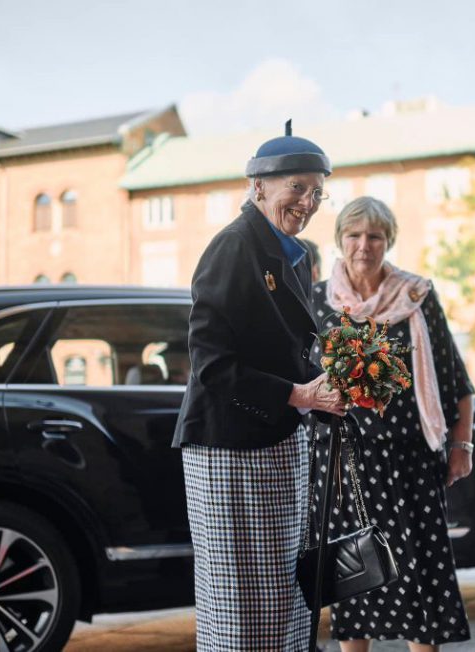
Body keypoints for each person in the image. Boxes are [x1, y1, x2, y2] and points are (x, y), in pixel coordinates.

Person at [171, 125, 346, 651]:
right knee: (240, 604)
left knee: (282, 597)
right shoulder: (232, 247)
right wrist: (301, 395)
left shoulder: (290, 251)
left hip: (273, 443)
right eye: (297, 187)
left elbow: (294, 348)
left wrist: (337, 380)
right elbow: (212, 366)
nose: (308, 201)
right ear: (258, 186)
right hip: (229, 447)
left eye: (317, 191)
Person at [310, 195, 474, 650]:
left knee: (419, 571)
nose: (364, 245)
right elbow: (301, 379)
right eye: (354, 235)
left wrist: (461, 447)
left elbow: (452, 375)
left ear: (389, 241)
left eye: (375, 236)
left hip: (410, 458)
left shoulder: (416, 296)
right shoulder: (317, 299)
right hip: (342, 463)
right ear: (340, 240)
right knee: (354, 582)